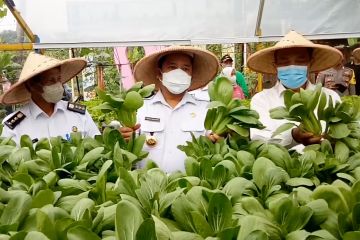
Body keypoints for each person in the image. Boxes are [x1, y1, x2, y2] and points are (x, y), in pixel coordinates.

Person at [120, 46, 219, 172]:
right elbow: (130, 148)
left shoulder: (205, 109)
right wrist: (125, 138)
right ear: (159, 73)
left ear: (191, 74)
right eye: (172, 67)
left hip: (191, 187)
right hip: (148, 186)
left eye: (185, 69)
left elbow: (215, 142)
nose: (179, 73)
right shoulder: (141, 108)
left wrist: (219, 138)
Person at [247, 30, 342, 147]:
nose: (292, 66)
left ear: (310, 63)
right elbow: (258, 141)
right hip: (281, 165)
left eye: (300, 60)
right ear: (275, 66)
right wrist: (293, 136)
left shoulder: (330, 97)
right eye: (284, 61)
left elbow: (343, 134)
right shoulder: (262, 100)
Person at [0, 52, 100, 144]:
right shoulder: (15, 126)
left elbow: (97, 147)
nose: (58, 85)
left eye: (59, 79)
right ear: (32, 85)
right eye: (51, 81)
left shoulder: (79, 115)